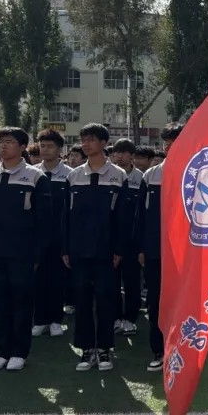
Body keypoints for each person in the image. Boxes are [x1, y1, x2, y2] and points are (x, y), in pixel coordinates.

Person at [0, 128, 51, 371]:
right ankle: (1, 351)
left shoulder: (36, 177)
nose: (3, 146)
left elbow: (44, 220)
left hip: (22, 253)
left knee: (21, 302)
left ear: (23, 146)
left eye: (9, 142)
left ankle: (19, 352)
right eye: (0, 142)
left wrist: (37, 254)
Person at [62, 123, 132, 372]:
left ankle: (104, 348)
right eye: (84, 140)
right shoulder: (73, 176)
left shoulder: (118, 176)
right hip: (79, 250)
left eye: (91, 139)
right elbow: (66, 216)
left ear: (104, 143)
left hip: (107, 252)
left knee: (106, 300)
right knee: (81, 301)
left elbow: (123, 218)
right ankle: (85, 349)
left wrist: (119, 249)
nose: (86, 144)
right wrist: (65, 248)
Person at [139, 124, 182, 370]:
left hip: (186, 254)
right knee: (156, 301)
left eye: (174, 142)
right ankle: (159, 350)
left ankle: (183, 349)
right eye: (166, 143)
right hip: (155, 251)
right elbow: (141, 217)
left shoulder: (198, 174)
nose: (168, 147)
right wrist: (142, 249)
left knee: (183, 302)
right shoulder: (151, 175)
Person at [32, 129, 72, 337]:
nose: (45, 150)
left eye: (49, 146)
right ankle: (39, 319)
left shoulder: (70, 175)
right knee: (37, 278)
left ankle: (56, 319)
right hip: (35, 235)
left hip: (59, 235)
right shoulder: (31, 173)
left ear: (60, 149)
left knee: (57, 278)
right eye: (42, 146)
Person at [109, 138, 143, 336]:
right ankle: (115, 318)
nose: (119, 156)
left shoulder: (142, 178)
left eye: (123, 153)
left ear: (132, 156)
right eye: (116, 153)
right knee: (111, 283)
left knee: (132, 283)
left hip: (133, 241)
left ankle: (130, 319)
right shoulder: (109, 176)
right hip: (112, 240)